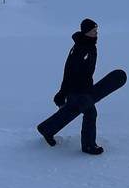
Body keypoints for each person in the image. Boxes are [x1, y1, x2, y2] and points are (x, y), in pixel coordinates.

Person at [36, 18, 104, 155]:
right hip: (78, 89)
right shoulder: (81, 48)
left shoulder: (88, 46)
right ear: (86, 32)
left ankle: (47, 129)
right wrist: (63, 92)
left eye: (97, 30)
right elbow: (70, 71)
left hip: (81, 88)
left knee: (70, 110)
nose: (96, 33)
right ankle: (89, 146)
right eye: (93, 31)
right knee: (90, 113)